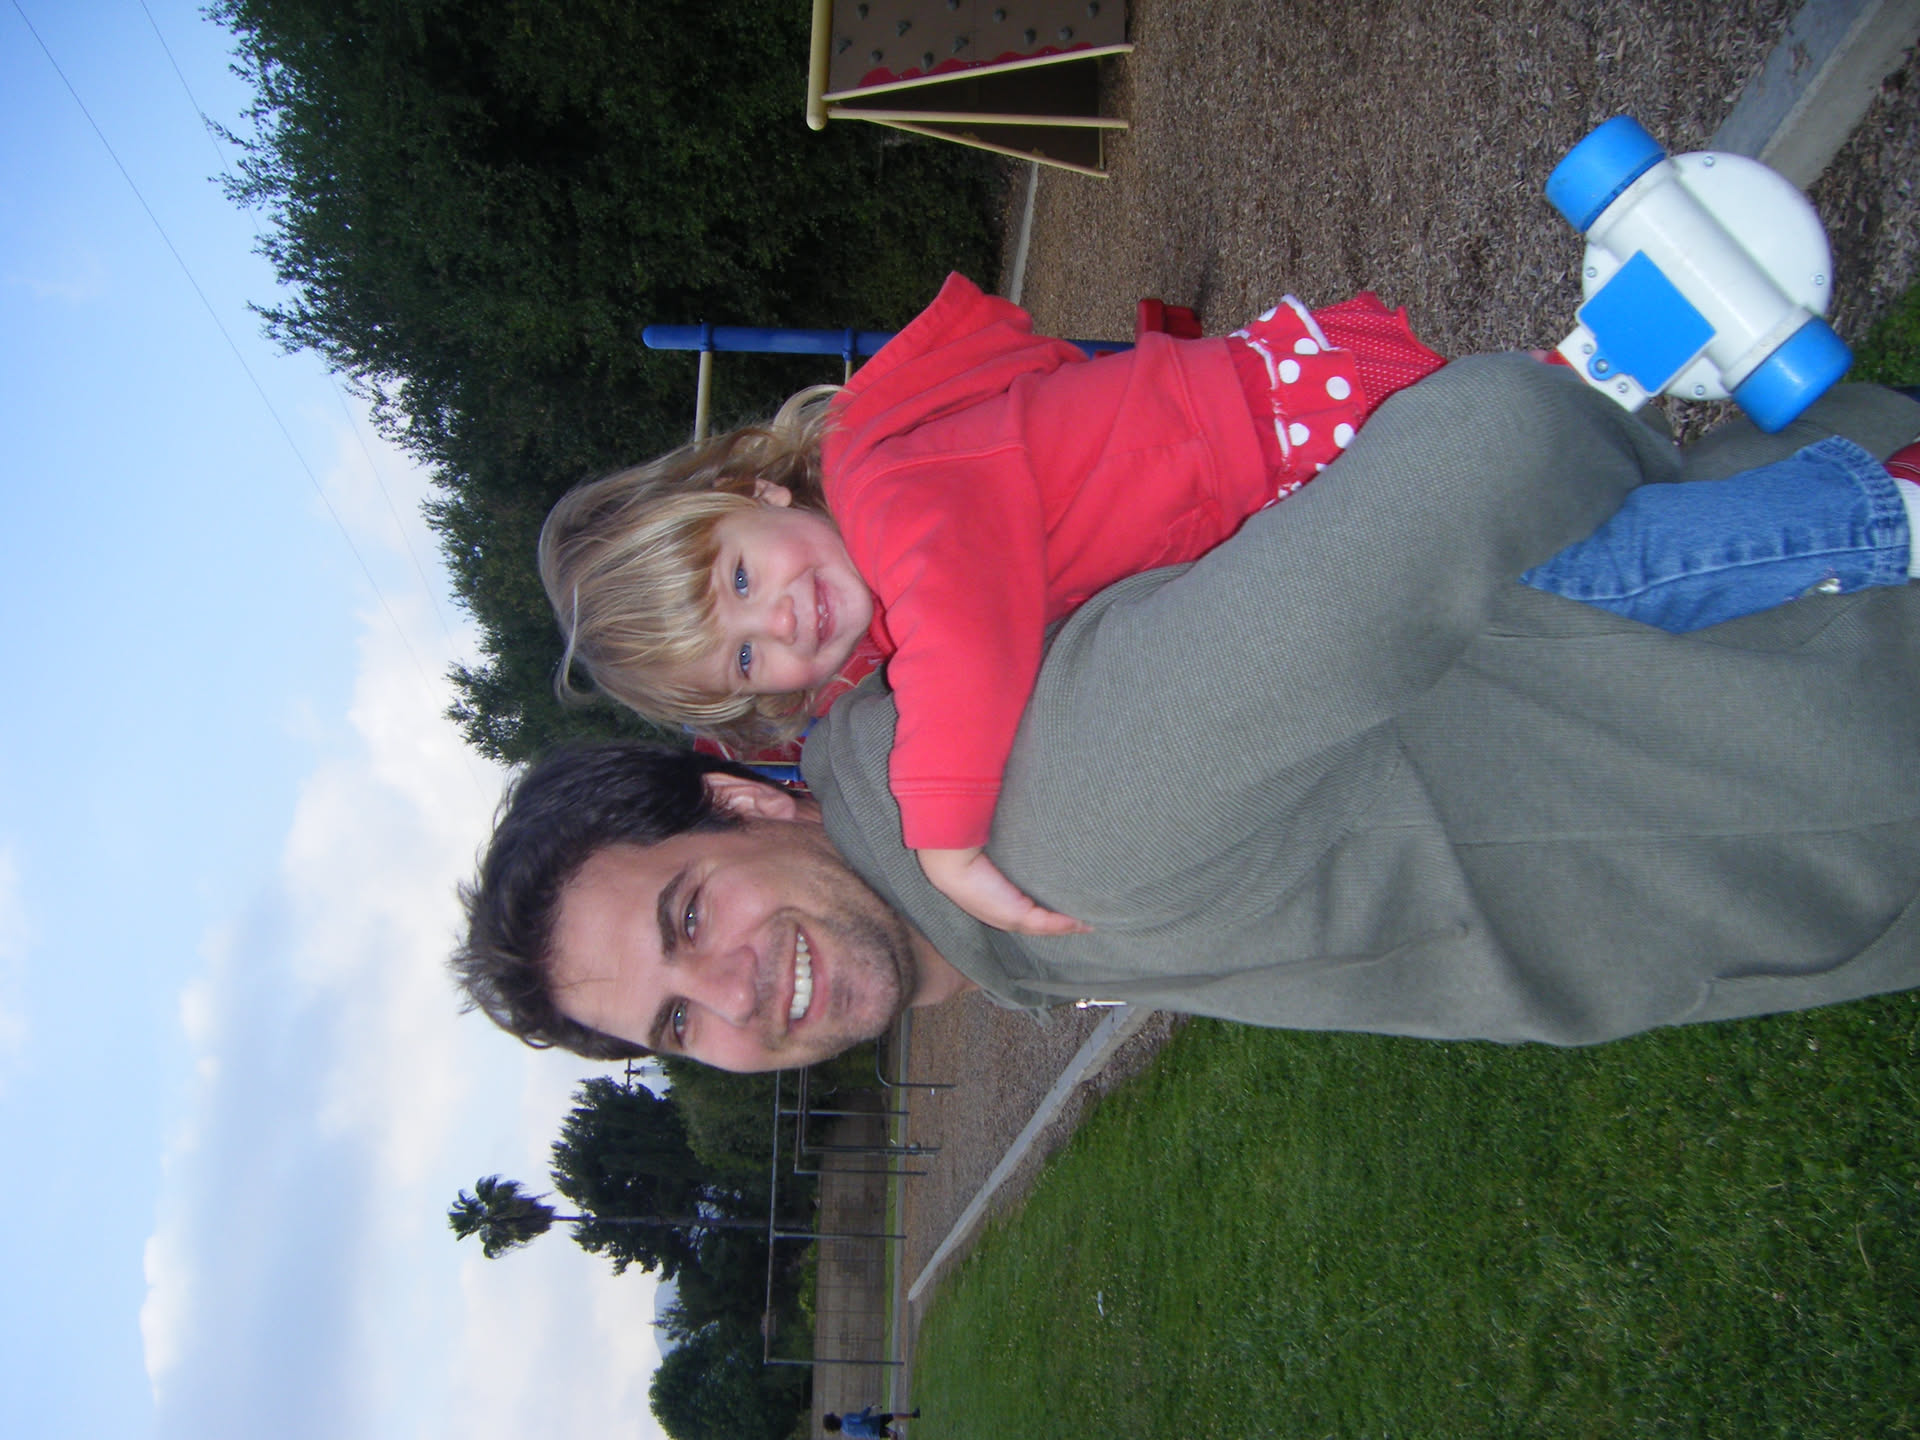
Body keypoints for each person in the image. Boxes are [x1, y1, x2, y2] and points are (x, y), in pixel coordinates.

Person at [454, 355, 1920, 1072]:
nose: (728, 997)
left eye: (689, 919)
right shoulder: (997, 907)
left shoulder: (1051, 818)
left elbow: (1491, 442)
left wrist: (1709, 528)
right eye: (672, 1024)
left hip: (1863, 702)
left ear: (740, 801)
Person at [539, 275, 1920, 942]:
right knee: (1538, 562)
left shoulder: (889, 487)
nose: (779, 624)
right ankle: (1729, 436)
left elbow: (970, 638)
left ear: (756, 495)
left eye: (737, 578)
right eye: (744, 656)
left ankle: (1868, 509)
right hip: (1278, 446)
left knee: (1549, 582)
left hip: (1291, 442)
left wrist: (946, 837)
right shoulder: (885, 562)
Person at [823, 1405, 920, 1436]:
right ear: (834, 1419)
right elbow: (860, 1418)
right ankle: (914, 1415)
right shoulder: (846, 1418)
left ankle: (914, 1415)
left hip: (872, 1434)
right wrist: (869, 1408)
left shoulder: (845, 1432)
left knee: (892, 1434)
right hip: (874, 1422)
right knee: (892, 1416)